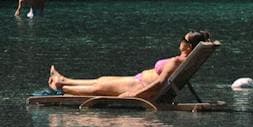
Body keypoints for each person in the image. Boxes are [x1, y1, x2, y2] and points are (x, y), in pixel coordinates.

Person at [45, 30, 212, 98]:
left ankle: (61, 89)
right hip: (137, 80)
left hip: (138, 86)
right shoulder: (186, 61)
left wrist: (134, 95)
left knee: (98, 88)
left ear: (188, 46)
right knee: (101, 80)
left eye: (183, 39)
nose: (180, 41)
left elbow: (160, 83)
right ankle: (64, 80)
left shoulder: (177, 61)